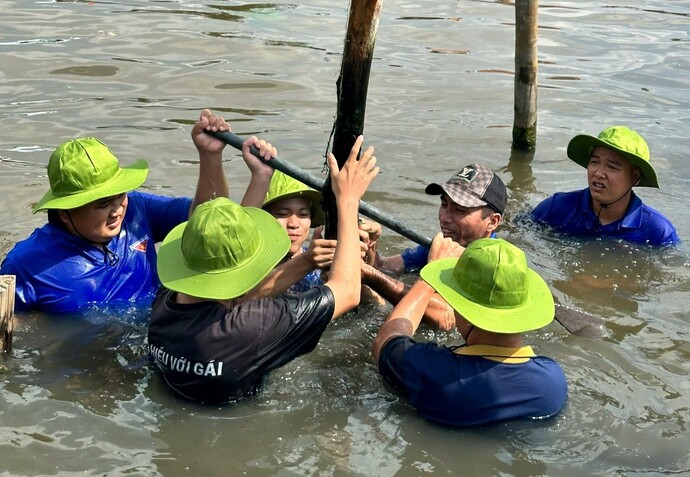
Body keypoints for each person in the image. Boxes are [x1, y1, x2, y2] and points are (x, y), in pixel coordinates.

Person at [147, 136, 379, 404]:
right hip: (235, 424)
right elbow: (347, 291)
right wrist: (348, 200)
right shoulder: (253, 326)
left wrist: (261, 178)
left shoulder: (165, 300)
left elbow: (234, 288)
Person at [0, 109, 274, 314]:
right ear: (64, 212)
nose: (117, 208)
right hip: (91, 368)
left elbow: (210, 221)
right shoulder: (27, 264)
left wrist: (210, 156)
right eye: (102, 204)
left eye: (120, 195)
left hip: (160, 336)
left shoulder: (138, 210)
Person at [372, 237, 568, 428]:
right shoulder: (553, 381)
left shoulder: (433, 371)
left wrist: (427, 280)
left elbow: (386, 340)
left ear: (460, 306)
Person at [360, 163, 508, 330]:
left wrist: (370, 275)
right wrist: (370, 246)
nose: (445, 218)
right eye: (444, 205)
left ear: (492, 222)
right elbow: (384, 268)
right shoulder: (451, 243)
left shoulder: (495, 264)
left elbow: (445, 318)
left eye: (459, 210)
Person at [531, 125, 680, 246]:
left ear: (635, 177)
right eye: (595, 162)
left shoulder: (658, 232)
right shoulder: (557, 207)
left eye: (612, 167)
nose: (599, 173)